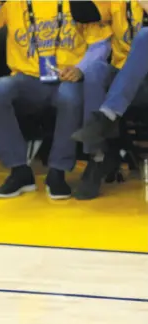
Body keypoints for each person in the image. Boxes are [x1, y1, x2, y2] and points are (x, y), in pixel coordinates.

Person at [0, 0, 111, 200]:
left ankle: (57, 173)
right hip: (26, 79)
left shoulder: (77, 3)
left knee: (69, 97)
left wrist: (81, 69)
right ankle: (19, 171)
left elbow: (100, 44)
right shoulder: (11, 3)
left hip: (66, 77)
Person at [72, 0, 148, 199]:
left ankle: (107, 116)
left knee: (146, 36)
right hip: (123, 77)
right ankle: (97, 156)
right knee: (96, 70)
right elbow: (84, 13)